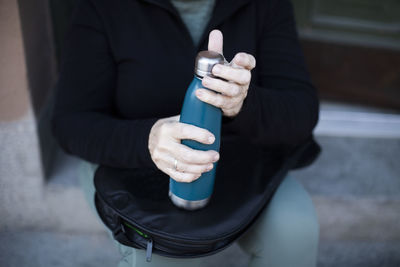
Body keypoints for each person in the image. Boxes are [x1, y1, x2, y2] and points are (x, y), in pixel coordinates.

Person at [51, 0, 321, 266]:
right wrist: (147, 140)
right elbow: (71, 122)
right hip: (130, 161)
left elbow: (301, 112)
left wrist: (243, 103)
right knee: (164, 256)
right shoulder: (101, 7)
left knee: (295, 232)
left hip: (241, 157)